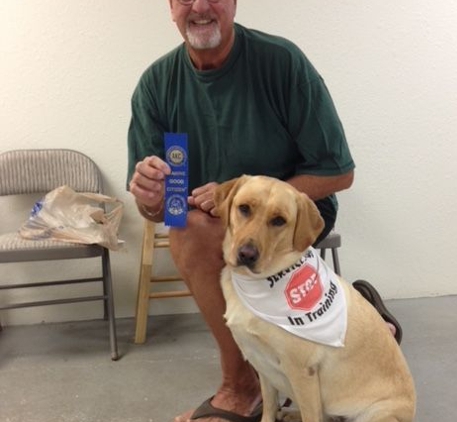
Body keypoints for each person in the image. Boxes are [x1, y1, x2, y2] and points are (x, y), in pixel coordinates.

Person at [127, 1, 400, 421]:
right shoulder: (155, 84)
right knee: (190, 229)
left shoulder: (282, 63)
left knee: (208, 232)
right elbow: (163, 208)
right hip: (215, 218)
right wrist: (148, 198)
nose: (199, 6)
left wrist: (256, 201)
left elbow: (338, 171)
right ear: (171, 7)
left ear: (234, 3)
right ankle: (250, 381)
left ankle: (256, 379)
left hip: (293, 211)